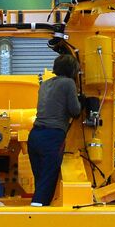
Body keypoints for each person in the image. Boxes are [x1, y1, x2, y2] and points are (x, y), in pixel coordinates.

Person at [27, 53, 82, 207]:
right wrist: (81, 100)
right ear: (73, 69)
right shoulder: (68, 83)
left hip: (35, 135)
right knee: (48, 179)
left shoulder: (44, 84)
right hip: (52, 136)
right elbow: (75, 111)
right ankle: (37, 217)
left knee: (40, 180)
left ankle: (35, 210)